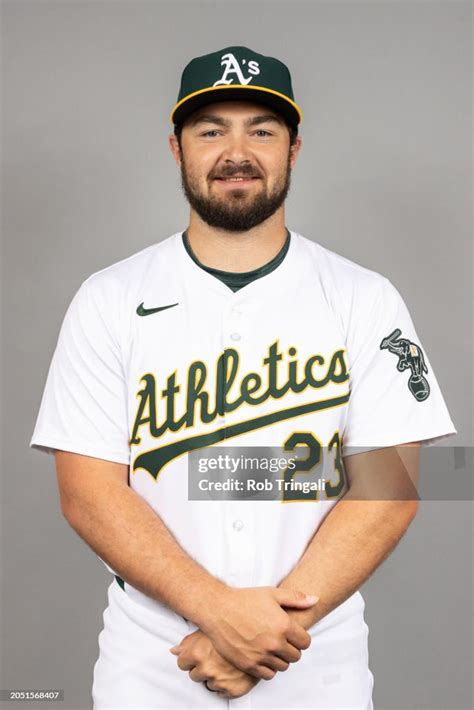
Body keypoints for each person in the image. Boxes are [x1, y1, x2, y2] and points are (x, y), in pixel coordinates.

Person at [30, 45, 457, 709]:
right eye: (211, 130)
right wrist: (217, 613)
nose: (237, 151)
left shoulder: (364, 298)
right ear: (176, 148)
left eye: (262, 129)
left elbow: (390, 489)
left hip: (316, 660)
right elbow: (88, 493)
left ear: (294, 148)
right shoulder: (108, 298)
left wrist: (272, 631)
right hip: (154, 660)